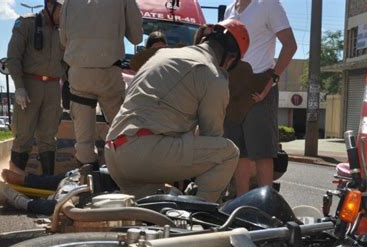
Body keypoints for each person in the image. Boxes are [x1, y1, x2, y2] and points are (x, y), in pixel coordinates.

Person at [105, 19, 250, 202]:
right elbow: (212, 137)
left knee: (152, 215)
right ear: (230, 59)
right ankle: (200, 214)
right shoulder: (213, 75)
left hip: (113, 152)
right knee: (228, 153)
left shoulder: (163, 54)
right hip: (143, 154)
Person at [224, 0, 297, 196]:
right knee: (239, 154)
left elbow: (290, 45)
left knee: (263, 153)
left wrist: (272, 80)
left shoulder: (268, 4)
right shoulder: (231, 8)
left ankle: (266, 207)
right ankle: (241, 204)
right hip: (234, 90)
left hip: (259, 87)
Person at [60, 0, 143, 168]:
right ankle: (123, 177)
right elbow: (136, 37)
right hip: (108, 72)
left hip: (79, 72)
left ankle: (87, 182)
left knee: (84, 141)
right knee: (121, 132)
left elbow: (63, 39)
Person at [7, 0, 65, 175]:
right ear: (50, 6)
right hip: (29, 85)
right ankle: (15, 181)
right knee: (23, 136)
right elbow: (13, 56)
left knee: (48, 137)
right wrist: (19, 87)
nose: (65, 15)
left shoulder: (65, 31)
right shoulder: (26, 23)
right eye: (62, 10)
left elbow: (69, 61)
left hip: (54, 87)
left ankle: (47, 183)